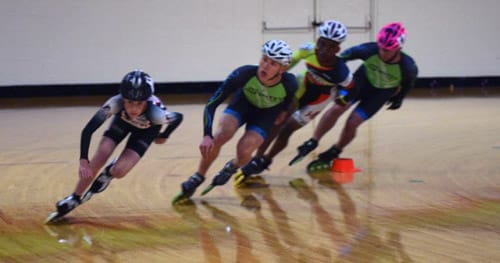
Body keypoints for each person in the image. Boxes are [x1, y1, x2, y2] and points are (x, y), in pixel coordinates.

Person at [46, 70, 183, 223]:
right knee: (102, 153)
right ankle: (74, 197)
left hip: (147, 131)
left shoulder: (157, 115)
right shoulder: (114, 103)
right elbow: (88, 130)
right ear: (122, 99)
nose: (133, 109)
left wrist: (164, 135)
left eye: (139, 103)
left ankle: (109, 172)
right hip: (122, 124)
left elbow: (179, 117)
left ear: (147, 101)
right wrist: (84, 160)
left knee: (119, 171)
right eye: (129, 102)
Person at [172, 40, 298, 204]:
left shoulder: (290, 83)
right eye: (264, 59)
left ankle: (232, 166)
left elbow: (289, 100)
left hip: (265, 114)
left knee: (245, 151)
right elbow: (212, 103)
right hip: (242, 105)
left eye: (273, 63)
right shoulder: (243, 74)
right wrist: (207, 135)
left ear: (282, 69)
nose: (265, 66)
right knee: (220, 136)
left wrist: (283, 112)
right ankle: (198, 176)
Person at [232, 20, 355, 184]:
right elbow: (285, 66)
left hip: (320, 98)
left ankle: (267, 159)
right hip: (302, 86)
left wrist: (343, 97)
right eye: (322, 43)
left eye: (330, 46)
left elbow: (351, 88)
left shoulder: (341, 71)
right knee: (277, 122)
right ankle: (257, 158)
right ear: (317, 40)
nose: (324, 50)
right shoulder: (308, 50)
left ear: (337, 49)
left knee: (287, 129)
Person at [291, 22, 418, 172]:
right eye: (380, 47)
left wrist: (400, 98)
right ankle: (313, 141)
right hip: (361, 82)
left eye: (387, 50)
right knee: (338, 107)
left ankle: (336, 150)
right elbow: (344, 56)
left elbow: (408, 84)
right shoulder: (370, 49)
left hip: (379, 94)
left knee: (353, 122)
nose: (382, 52)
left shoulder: (408, 67)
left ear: (398, 48)